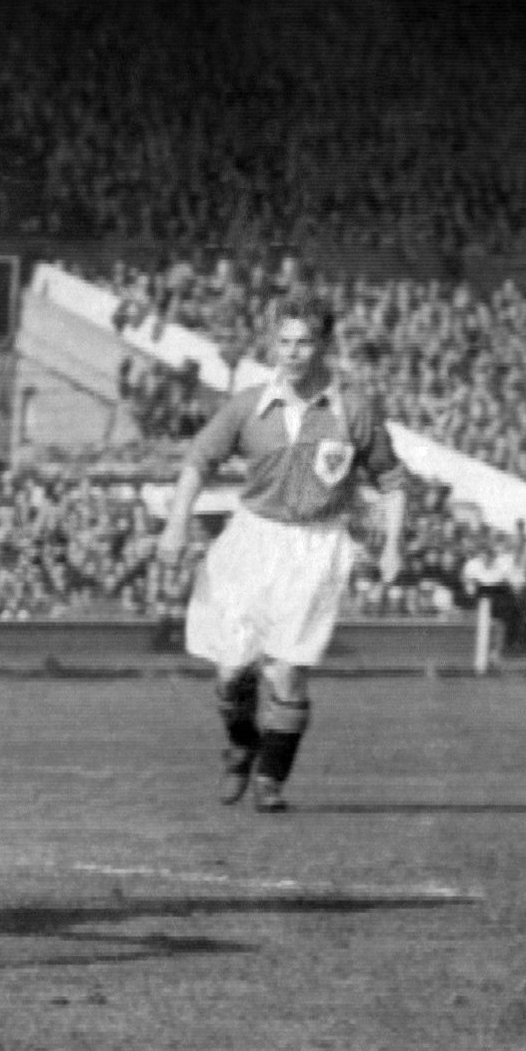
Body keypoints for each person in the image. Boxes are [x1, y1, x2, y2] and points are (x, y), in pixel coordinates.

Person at [159, 300, 410, 813]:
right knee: (231, 671)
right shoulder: (248, 405)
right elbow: (198, 461)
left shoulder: (352, 409)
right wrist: (176, 523)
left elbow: (392, 480)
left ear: (323, 346)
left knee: (289, 671)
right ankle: (243, 742)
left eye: (305, 342)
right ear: (274, 345)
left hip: (316, 544)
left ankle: (270, 780)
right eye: (285, 343)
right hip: (252, 539)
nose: (294, 354)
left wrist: (392, 543)